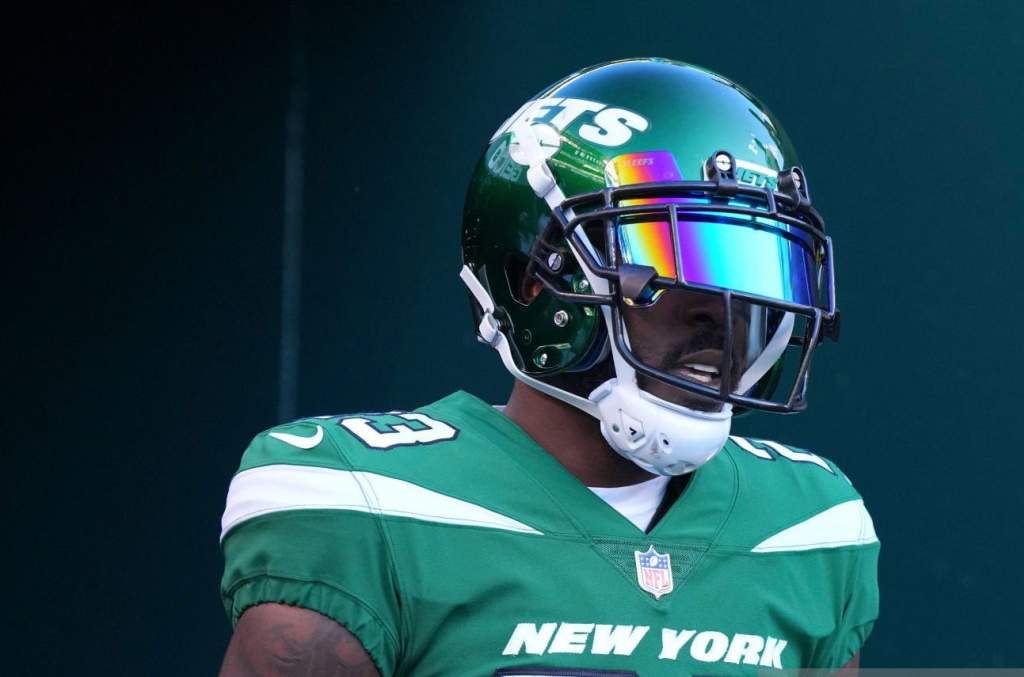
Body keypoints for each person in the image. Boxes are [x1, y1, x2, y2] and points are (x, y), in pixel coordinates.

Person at [218, 57, 878, 677]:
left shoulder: (808, 526)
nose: (726, 314)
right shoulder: (364, 502)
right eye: (679, 265)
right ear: (536, 281)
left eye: (757, 270)